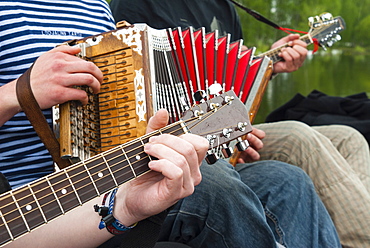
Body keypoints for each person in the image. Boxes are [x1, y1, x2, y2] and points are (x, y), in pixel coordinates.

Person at [0, 0, 341, 247]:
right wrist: (18, 93)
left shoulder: (94, 6)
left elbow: (128, 108)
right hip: (41, 197)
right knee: (212, 182)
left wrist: (213, 132)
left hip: (116, 166)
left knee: (286, 180)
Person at [109, 0, 370, 247]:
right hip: (175, 135)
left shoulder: (225, 7)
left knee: (349, 138)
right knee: (299, 139)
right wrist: (224, 130)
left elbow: (231, 80)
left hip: (227, 128)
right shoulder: (139, 4)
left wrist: (267, 69)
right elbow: (138, 95)